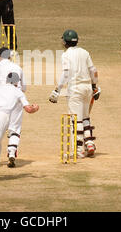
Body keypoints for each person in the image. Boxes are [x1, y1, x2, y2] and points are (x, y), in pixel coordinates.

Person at [49, 30, 100, 158]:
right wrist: (94, 86)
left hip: (75, 89)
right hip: (87, 87)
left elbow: (66, 74)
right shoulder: (85, 52)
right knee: (85, 117)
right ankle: (89, 143)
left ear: (65, 42)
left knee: (76, 120)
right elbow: (93, 70)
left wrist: (57, 90)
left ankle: (79, 150)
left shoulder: (66, 55)